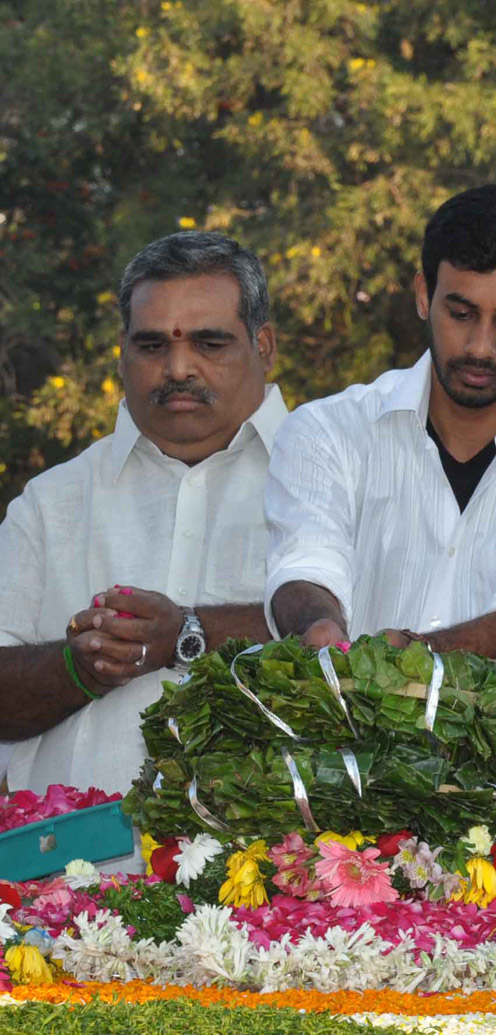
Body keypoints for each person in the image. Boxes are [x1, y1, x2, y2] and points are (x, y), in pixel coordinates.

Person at [265, 184, 496, 656]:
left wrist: (405, 657)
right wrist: (318, 625)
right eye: (461, 314)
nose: (480, 347)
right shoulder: (327, 431)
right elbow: (305, 562)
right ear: (424, 296)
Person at [0, 231, 285, 797]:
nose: (178, 368)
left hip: (292, 852)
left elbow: (374, 651)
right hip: (75, 852)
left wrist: (190, 633)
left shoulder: (331, 484)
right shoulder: (53, 503)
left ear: (264, 345)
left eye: (209, 343)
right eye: (152, 346)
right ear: (122, 350)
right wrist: (81, 666)